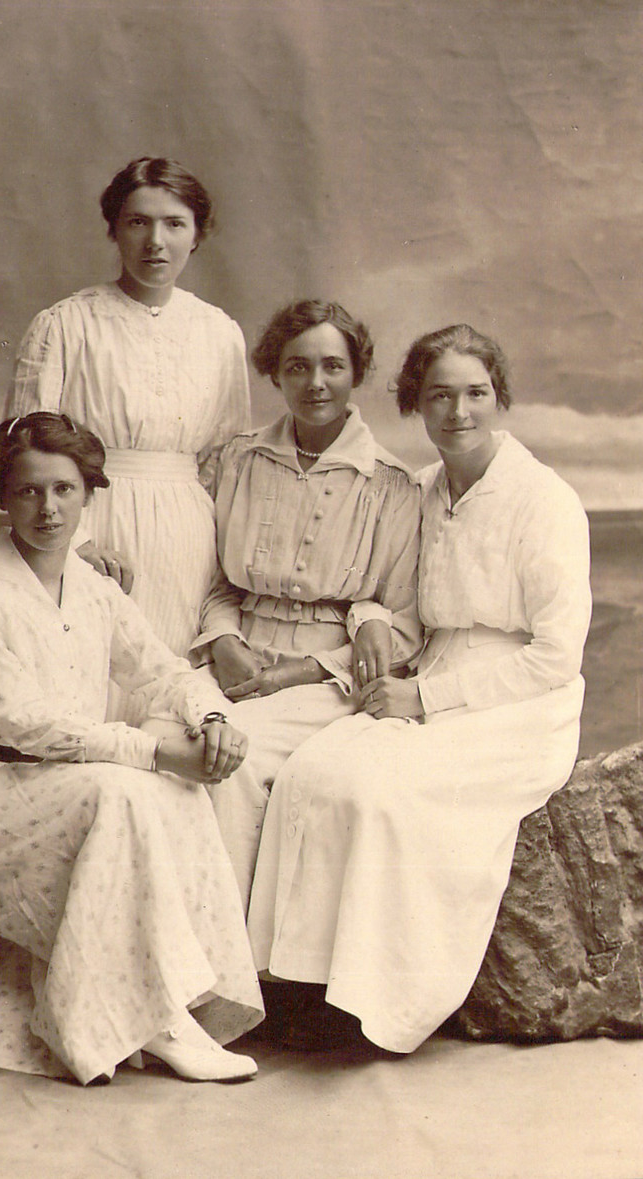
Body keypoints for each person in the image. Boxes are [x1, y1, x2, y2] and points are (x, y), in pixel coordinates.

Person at [0, 413, 262, 1086]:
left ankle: (164, 1003)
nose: (48, 509)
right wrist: (153, 750)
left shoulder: (94, 589)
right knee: (121, 789)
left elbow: (160, 670)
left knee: (164, 786)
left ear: (89, 493)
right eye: (28, 491)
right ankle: (151, 1019)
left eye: (64, 490)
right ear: (2, 495)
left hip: (54, 778)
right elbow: (22, 724)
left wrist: (209, 716)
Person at [242, 324, 592, 1054]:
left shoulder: (544, 500)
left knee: (380, 792)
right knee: (313, 771)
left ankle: (375, 1004)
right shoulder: (423, 490)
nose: (459, 412)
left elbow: (556, 657)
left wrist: (426, 701)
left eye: (476, 393)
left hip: (518, 704)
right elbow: (381, 588)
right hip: (426, 671)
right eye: (439, 395)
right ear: (415, 402)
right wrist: (370, 619)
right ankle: (295, 980)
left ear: (498, 397)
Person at [189, 300, 422, 904]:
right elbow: (215, 581)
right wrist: (223, 641)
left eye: (332, 366)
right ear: (276, 373)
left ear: (355, 372)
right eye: (297, 366)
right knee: (163, 738)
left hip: (325, 680)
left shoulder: (390, 483)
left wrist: (297, 672)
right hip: (234, 659)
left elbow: (403, 622)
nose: (315, 383)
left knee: (230, 756)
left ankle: (228, 951)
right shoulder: (238, 460)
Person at [4, 156, 250, 720]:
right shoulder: (65, 324)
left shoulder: (220, 333)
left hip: (186, 539)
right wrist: (77, 542)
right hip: (91, 527)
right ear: (114, 229)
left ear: (196, 235)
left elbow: (226, 458)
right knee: (88, 696)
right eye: (138, 222)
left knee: (167, 697)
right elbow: (23, 451)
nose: (155, 242)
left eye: (174, 224)